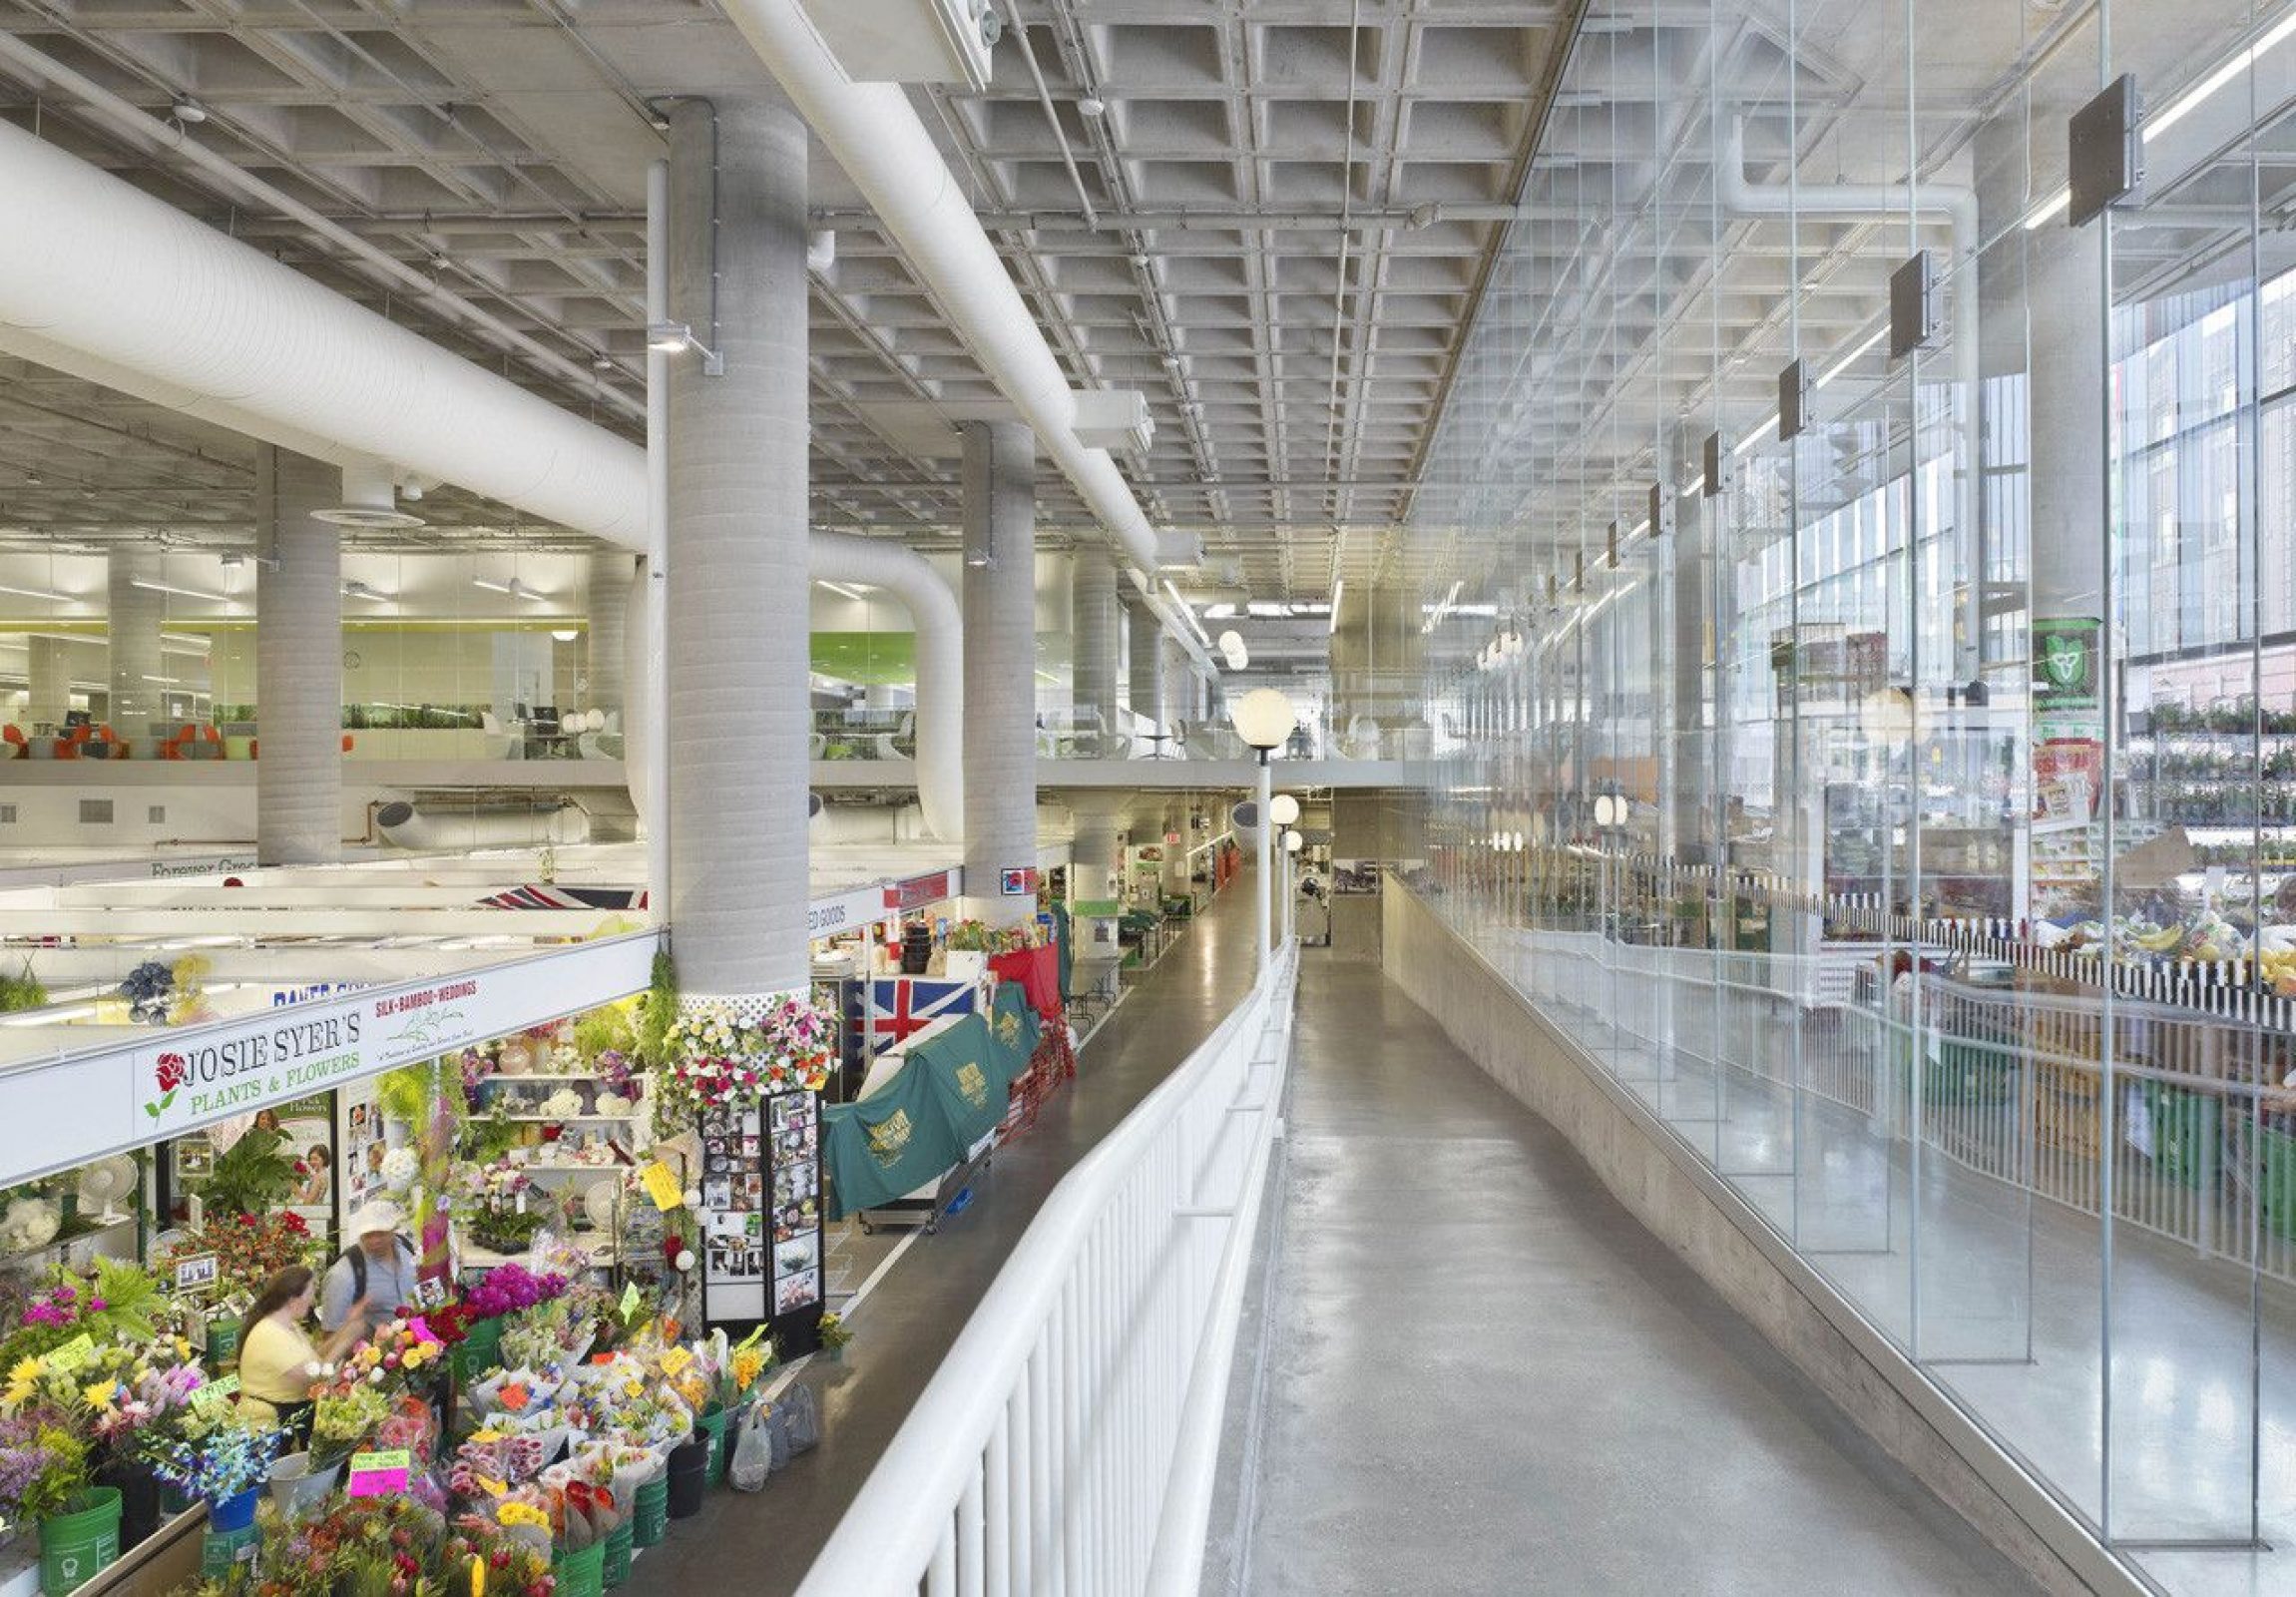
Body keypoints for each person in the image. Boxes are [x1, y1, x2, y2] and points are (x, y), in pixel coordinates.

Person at [236, 1266, 362, 1441]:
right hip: (270, 1427)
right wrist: (345, 1342)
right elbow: (314, 1376)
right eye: (310, 1294)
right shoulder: (269, 1334)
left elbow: (313, 1358)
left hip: (289, 1416)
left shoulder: (288, 1326)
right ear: (293, 1300)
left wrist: (346, 1329)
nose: (312, 1301)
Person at [319, 1202, 417, 1341]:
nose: (375, 1240)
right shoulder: (343, 1274)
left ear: (393, 1230)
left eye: (381, 1233)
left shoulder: (407, 1250)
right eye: (368, 1235)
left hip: (420, 1345)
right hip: (374, 1351)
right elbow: (330, 1335)